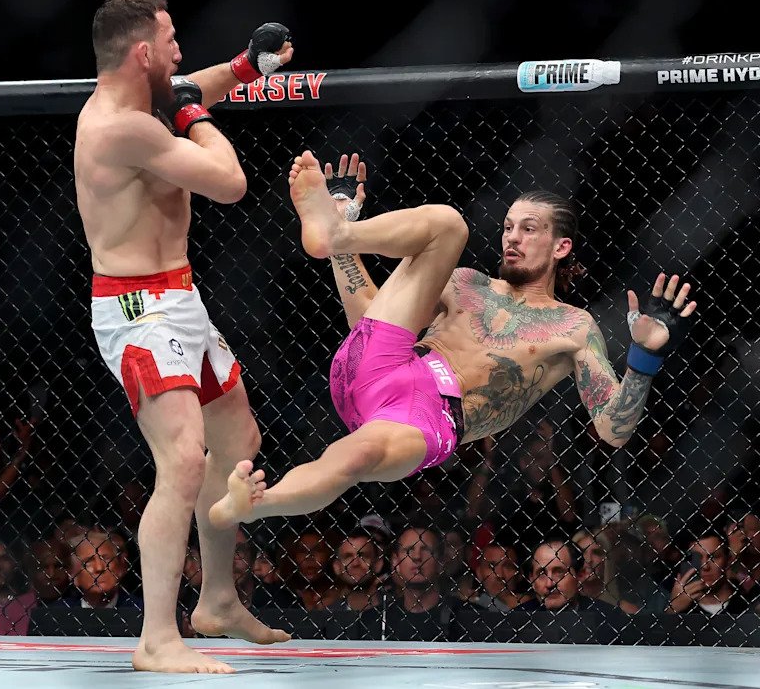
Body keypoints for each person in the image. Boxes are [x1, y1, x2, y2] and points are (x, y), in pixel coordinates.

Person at [210, 150, 697, 531]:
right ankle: (338, 229)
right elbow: (372, 321)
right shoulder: (465, 283)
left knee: (353, 457)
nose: (513, 237)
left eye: (529, 229)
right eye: (508, 227)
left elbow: (614, 429)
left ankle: (257, 502)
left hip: (430, 414)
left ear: (561, 247)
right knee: (448, 223)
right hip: (382, 363)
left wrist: (644, 356)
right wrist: (342, 246)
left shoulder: (573, 327)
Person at [74, 0, 293, 673]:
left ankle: (218, 599)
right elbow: (229, 181)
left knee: (237, 441)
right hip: (139, 311)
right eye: (170, 41)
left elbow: (190, 85)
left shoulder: (138, 102)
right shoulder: (121, 127)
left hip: (180, 297)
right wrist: (195, 112)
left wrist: (245, 67)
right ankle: (156, 639)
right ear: (143, 53)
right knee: (183, 462)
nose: (178, 52)